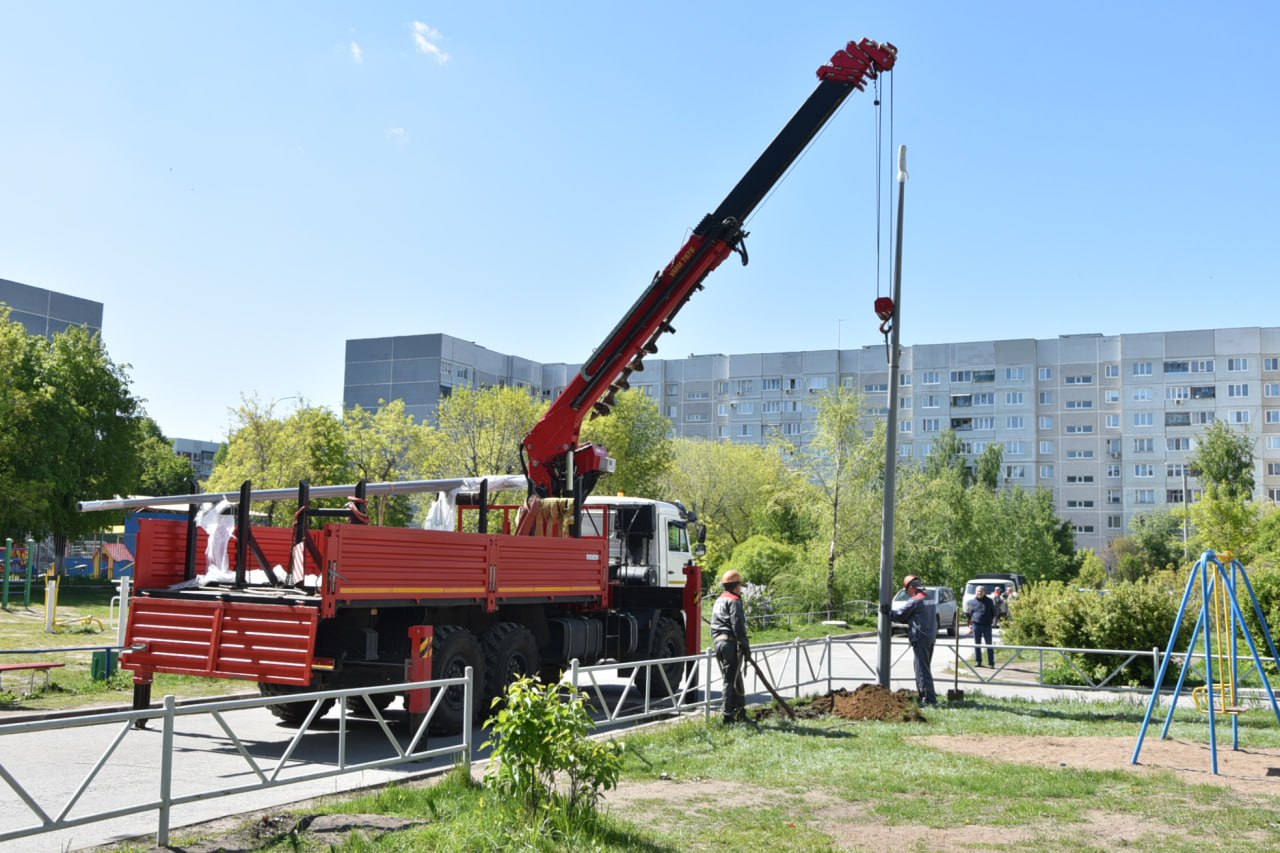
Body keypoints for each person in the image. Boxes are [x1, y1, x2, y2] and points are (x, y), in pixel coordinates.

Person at [887, 575, 937, 706]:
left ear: (911, 587)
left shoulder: (916, 600)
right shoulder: (929, 598)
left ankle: (928, 699)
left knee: (921, 669)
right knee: (924, 667)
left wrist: (888, 612)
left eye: (906, 590)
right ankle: (927, 696)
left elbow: (899, 614)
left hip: (920, 638)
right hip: (930, 637)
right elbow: (917, 615)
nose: (906, 593)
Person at [711, 568, 751, 723]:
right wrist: (746, 646)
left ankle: (741, 712)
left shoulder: (719, 600)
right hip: (728, 643)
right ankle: (727, 715)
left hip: (719, 642)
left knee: (735, 676)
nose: (741, 589)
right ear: (736, 586)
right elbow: (738, 625)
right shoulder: (734, 600)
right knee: (730, 679)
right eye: (740, 585)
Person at [966, 584, 997, 666]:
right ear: (975, 592)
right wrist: (969, 625)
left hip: (987, 626)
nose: (979, 593)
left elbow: (993, 613)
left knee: (989, 644)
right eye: (978, 591)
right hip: (976, 625)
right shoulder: (971, 602)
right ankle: (978, 661)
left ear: (984, 592)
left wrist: (989, 620)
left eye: (981, 591)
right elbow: (969, 614)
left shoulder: (989, 601)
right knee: (977, 644)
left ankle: (991, 663)